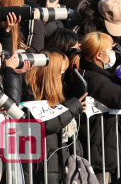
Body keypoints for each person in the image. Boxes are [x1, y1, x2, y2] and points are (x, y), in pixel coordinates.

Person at [79, 31, 121, 183]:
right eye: (111, 50)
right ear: (99, 55)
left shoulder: (95, 72)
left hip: (102, 149)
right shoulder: (93, 78)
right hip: (98, 154)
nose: (114, 53)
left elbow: (111, 83)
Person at [22, 50, 87, 183]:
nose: (61, 77)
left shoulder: (60, 95)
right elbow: (46, 124)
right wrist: (72, 107)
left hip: (59, 165)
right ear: (49, 73)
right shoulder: (29, 95)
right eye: (59, 72)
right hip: (41, 168)